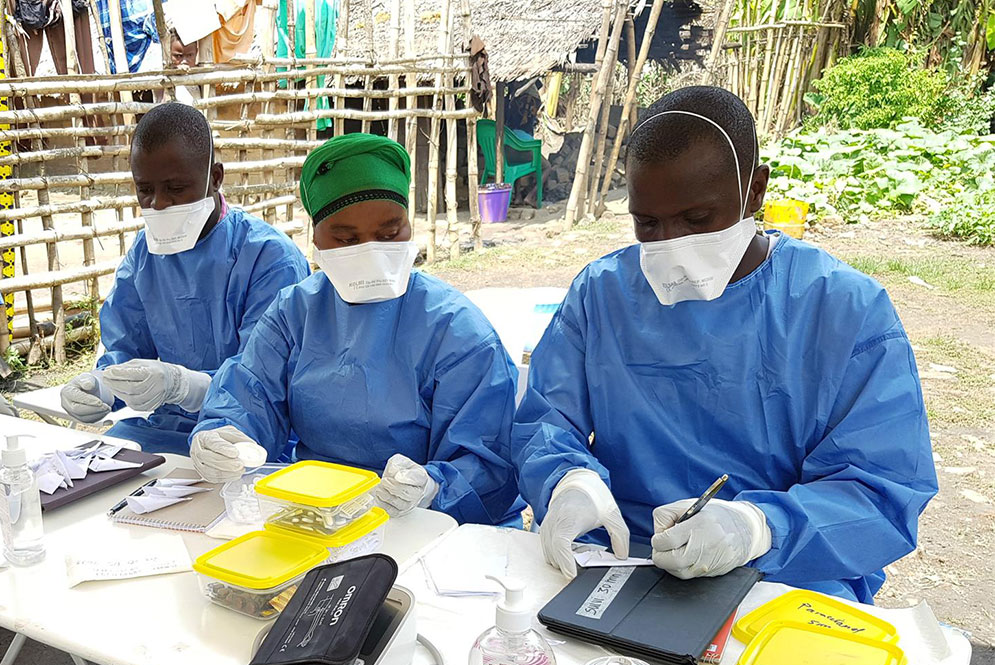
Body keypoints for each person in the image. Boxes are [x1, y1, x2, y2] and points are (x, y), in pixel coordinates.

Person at [513, 86, 937, 603]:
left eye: (696, 221)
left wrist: (754, 527)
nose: (671, 246)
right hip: (620, 556)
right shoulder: (602, 294)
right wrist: (568, 481)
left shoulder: (841, 310)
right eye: (647, 223)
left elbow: (881, 490)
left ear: (754, 190)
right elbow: (546, 420)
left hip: (787, 570)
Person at [189, 133, 524, 526]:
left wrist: (434, 486)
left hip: (433, 526)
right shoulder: (294, 315)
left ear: (409, 226)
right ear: (314, 237)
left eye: (388, 234)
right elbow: (248, 395)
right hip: (315, 516)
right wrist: (221, 434)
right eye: (346, 239)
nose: (369, 251)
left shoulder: (456, 332)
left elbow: (488, 463)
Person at [60, 102, 311, 456]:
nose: (159, 204)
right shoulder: (146, 254)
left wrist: (185, 386)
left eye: (176, 188)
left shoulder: (269, 258)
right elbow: (124, 346)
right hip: (165, 432)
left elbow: (264, 382)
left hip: (248, 437)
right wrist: (102, 386)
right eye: (144, 189)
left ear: (216, 177)